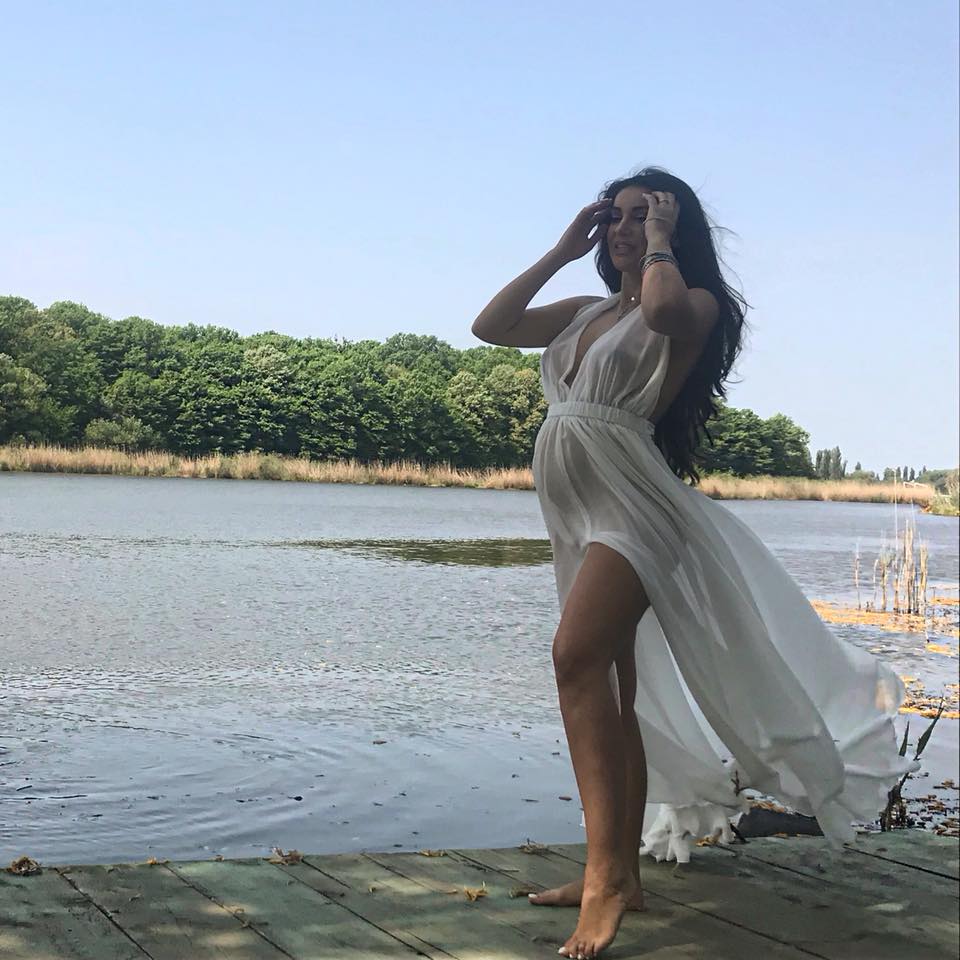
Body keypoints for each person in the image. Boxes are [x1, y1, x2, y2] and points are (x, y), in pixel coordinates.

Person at [471, 167, 914, 959]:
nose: (624, 228)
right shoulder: (585, 312)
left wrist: (660, 243)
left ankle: (606, 881)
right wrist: (561, 251)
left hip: (636, 508)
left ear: (675, 227)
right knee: (613, 688)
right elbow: (490, 326)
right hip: (576, 510)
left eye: (643, 214)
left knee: (575, 660)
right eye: (615, 217)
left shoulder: (694, 304)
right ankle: (619, 872)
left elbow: (664, 310)